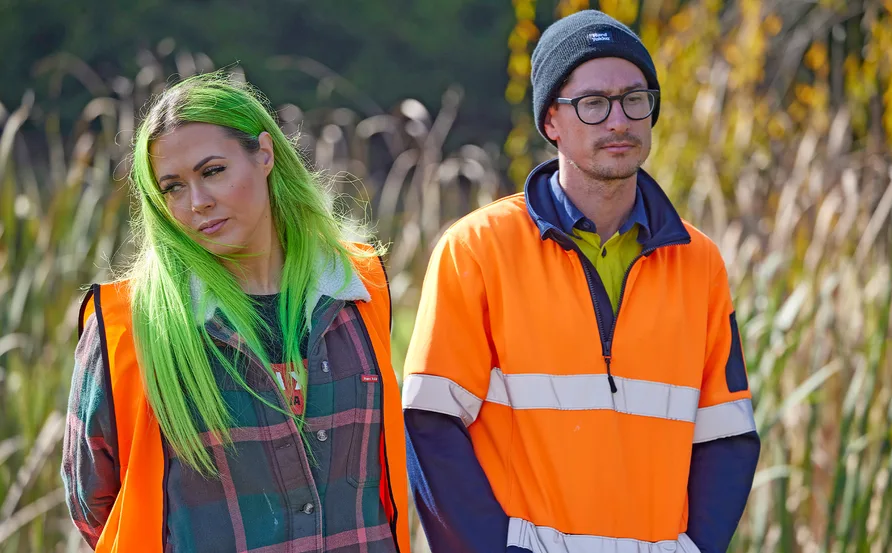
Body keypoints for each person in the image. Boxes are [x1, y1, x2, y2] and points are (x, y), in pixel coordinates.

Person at [403, 10, 760, 553]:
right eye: (592, 104)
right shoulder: (476, 249)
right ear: (552, 123)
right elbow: (431, 424)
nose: (618, 120)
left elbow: (727, 436)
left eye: (634, 99)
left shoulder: (700, 262)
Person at [61, 73, 409, 553]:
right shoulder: (128, 325)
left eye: (213, 171)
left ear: (264, 154)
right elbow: (92, 502)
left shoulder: (360, 290)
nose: (198, 203)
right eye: (173, 187)